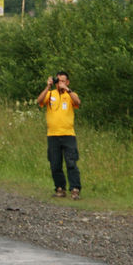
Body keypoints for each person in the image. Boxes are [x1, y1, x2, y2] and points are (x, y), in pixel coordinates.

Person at [36, 71, 82, 199]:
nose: (60, 84)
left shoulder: (70, 94)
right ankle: (60, 188)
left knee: (71, 162)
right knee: (55, 163)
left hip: (68, 134)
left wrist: (67, 89)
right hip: (53, 135)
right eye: (58, 81)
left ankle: (75, 189)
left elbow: (78, 102)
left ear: (67, 82)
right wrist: (48, 87)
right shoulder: (50, 94)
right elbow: (39, 101)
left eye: (62, 81)